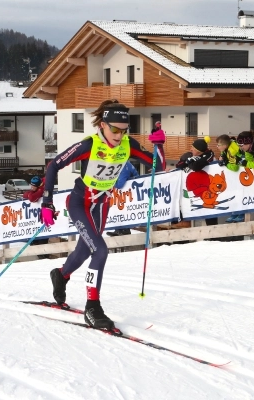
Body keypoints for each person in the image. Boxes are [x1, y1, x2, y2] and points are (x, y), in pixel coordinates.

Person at [41, 99, 165, 331]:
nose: (119, 135)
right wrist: (47, 201)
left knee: (85, 249)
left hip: (101, 205)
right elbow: (54, 165)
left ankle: (61, 274)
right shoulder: (89, 145)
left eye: (124, 130)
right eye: (114, 129)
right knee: (100, 250)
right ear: (103, 125)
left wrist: (159, 145)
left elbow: (159, 166)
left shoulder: (129, 144)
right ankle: (92, 306)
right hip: (80, 203)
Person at [176, 137, 218, 227]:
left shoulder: (209, 155)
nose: (190, 149)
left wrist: (190, 163)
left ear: (199, 151)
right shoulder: (190, 154)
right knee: (188, 208)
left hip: (208, 187)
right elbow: (179, 165)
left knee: (210, 212)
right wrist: (187, 161)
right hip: (194, 187)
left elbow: (196, 167)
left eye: (193, 148)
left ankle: (215, 237)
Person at [216, 134, 245, 223]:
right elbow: (223, 156)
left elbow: (235, 167)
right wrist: (222, 160)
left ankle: (241, 213)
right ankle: (235, 212)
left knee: (240, 194)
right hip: (236, 177)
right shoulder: (226, 148)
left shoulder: (232, 150)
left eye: (218, 145)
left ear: (224, 145)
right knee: (234, 193)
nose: (217, 147)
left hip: (242, 175)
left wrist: (225, 163)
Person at [107, 161, 139, 236]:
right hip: (127, 192)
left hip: (129, 193)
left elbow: (119, 185)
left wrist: (110, 182)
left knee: (122, 210)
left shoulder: (123, 166)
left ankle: (124, 230)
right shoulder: (124, 163)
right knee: (118, 209)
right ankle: (119, 229)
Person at [23, 176, 50, 259]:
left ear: (38, 186)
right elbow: (25, 195)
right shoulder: (38, 188)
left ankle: (44, 258)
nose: (32, 187)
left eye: (33, 186)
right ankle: (42, 257)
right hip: (35, 220)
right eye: (31, 185)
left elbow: (31, 198)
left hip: (44, 219)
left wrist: (31, 193)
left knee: (43, 240)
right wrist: (30, 193)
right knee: (34, 241)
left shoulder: (42, 190)